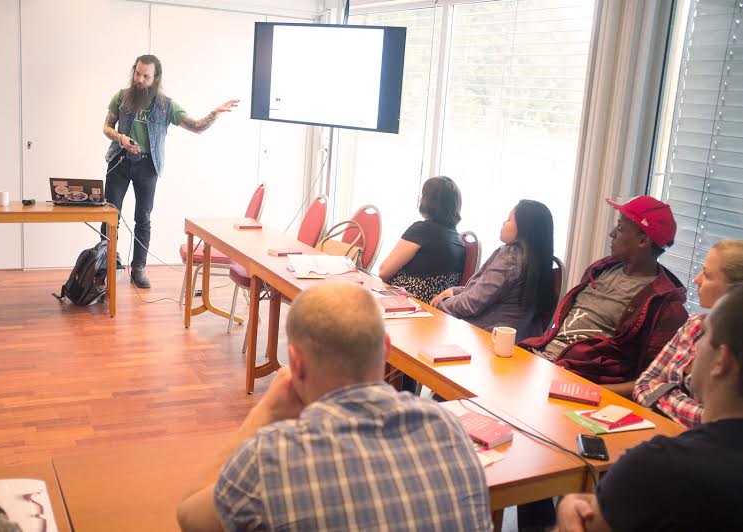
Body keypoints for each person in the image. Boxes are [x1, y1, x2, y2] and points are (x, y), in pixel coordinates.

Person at [176, 283, 492, 532]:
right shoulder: (450, 430)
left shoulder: (270, 458)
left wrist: (265, 413)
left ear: (295, 362)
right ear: (385, 350)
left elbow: (190, 518)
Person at [556, 284, 743, 532]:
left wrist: (569, 505)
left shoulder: (658, 467)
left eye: (706, 335)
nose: (696, 345)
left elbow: (586, 522)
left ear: (722, 360)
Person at [520, 196, 688, 397]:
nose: (612, 233)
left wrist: (590, 391)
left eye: (621, 228)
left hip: (578, 381)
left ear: (643, 240)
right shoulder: (601, 269)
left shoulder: (666, 306)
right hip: (542, 360)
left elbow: (652, 381)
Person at [100, 54, 239, 288]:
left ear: (155, 78)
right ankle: (106, 263)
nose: (140, 80)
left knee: (142, 218)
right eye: (138, 74)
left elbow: (196, 127)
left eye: (146, 76)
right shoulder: (121, 98)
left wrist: (214, 113)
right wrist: (120, 138)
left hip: (148, 165)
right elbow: (106, 127)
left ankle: (139, 268)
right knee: (109, 215)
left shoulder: (166, 105)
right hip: (120, 161)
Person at [634, 239, 743, 427]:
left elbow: (719, 421)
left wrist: (663, 392)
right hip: (657, 431)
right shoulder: (694, 325)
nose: (696, 279)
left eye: (707, 275)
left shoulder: (736, 348)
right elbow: (643, 384)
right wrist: (692, 410)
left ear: (735, 292)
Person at [430, 199, 556, 342]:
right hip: (518, 340)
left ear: (525, 228)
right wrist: (455, 291)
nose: (504, 223)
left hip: (488, 339)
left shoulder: (511, 257)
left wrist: (440, 303)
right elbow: (490, 293)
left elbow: (471, 304)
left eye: (509, 219)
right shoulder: (536, 260)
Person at [379, 176, 465, 304]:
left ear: (429, 201)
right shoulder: (458, 240)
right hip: (435, 307)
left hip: (407, 301)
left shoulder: (423, 229)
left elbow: (384, 271)